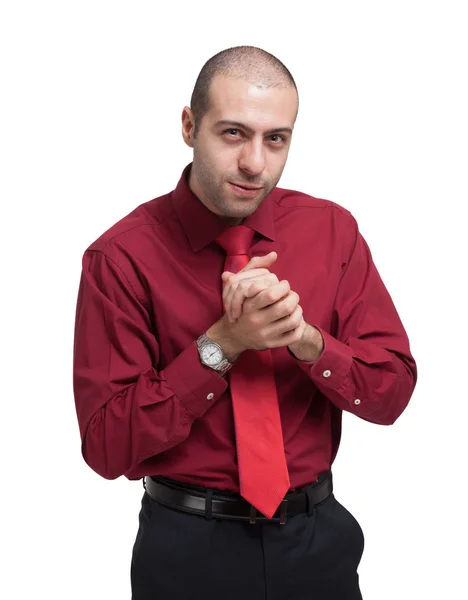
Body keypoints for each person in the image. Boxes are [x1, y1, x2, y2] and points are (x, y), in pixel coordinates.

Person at [72, 45, 417, 600]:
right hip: (187, 552)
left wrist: (306, 341)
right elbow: (108, 448)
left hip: (316, 542)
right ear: (189, 126)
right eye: (233, 133)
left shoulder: (332, 232)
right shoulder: (121, 258)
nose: (256, 163)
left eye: (275, 138)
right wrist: (222, 345)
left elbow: (392, 392)